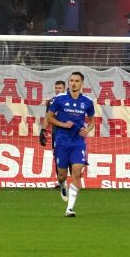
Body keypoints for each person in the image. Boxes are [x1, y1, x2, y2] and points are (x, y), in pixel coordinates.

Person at [45, 71, 95, 217]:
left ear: (82, 84)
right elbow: (49, 117)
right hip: (61, 141)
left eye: (77, 81)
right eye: (71, 80)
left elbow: (92, 121)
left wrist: (88, 130)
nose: (73, 83)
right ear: (69, 82)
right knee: (61, 175)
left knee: (77, 173)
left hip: (78, 142)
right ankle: (62, 185)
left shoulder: (87, 101)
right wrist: (62, 124)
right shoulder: (59, 99)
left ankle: (70, 208)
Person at [39, 79, 67, 199]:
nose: (58, 90)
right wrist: (43, 130)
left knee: (71, 157)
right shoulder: (51, 102)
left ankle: (75, 181)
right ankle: (61, 183)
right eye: (56, 88)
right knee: (58, 157)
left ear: (64, 89)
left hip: (69, 132)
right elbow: (47, 117)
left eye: (60, 88)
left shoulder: (70, 100)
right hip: (56, 132)